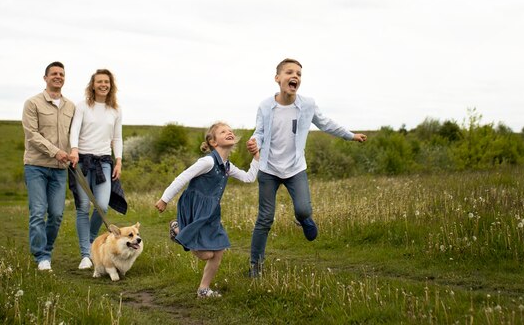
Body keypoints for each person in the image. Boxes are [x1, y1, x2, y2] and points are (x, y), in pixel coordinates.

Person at [245, 58, 367, 277]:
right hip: (269, 169)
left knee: (303, 210)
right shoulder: (265, 105)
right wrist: (255, 141)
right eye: (290, 72)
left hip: (295, 168)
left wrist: (350, 135)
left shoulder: (307, 104)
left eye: (299, 74)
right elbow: (260, 132)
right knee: (265, 218)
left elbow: (325, 123)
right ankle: (255, 267)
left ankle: (303, 219)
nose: (295, 76)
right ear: (277, 78)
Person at [155, 122, 259, 298]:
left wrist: (256, 157)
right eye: (223, 131)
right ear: (213, 142)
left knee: (218, 251)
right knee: (205, 254)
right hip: (195, 208)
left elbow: (249, 178)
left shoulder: (227, 166)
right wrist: (165, 199)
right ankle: (178, 230)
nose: (229, 133)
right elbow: (183, 177)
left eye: (230, 131)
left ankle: (203, 289)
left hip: (211, 212)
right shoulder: (208, 161)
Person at [69, 69, 124, 271]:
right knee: (83, 206)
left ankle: (91, 242)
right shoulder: (83, 106)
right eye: (99, 81)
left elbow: (117, 137)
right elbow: (74, 129)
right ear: (93, 85)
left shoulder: (115, 110)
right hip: (81, 161)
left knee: (102, 206)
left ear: (111, 85)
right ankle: (85, 254)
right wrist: (74, 149)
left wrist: (118, 160)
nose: (103, 85)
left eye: (107, 82)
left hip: (104, 162)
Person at [22, 61, 74, 271]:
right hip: (36, 165)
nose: (58, 76)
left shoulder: (71, 106)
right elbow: (32, 135)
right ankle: (41, 256)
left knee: (56, 213)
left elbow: (75, 134)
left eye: (61, 74)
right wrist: (56, 152)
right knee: (38, 211)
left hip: (60, 169)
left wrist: (75, 151)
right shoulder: (32, 103)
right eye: (54, 73)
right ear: (45, 78)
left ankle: (46, 249)